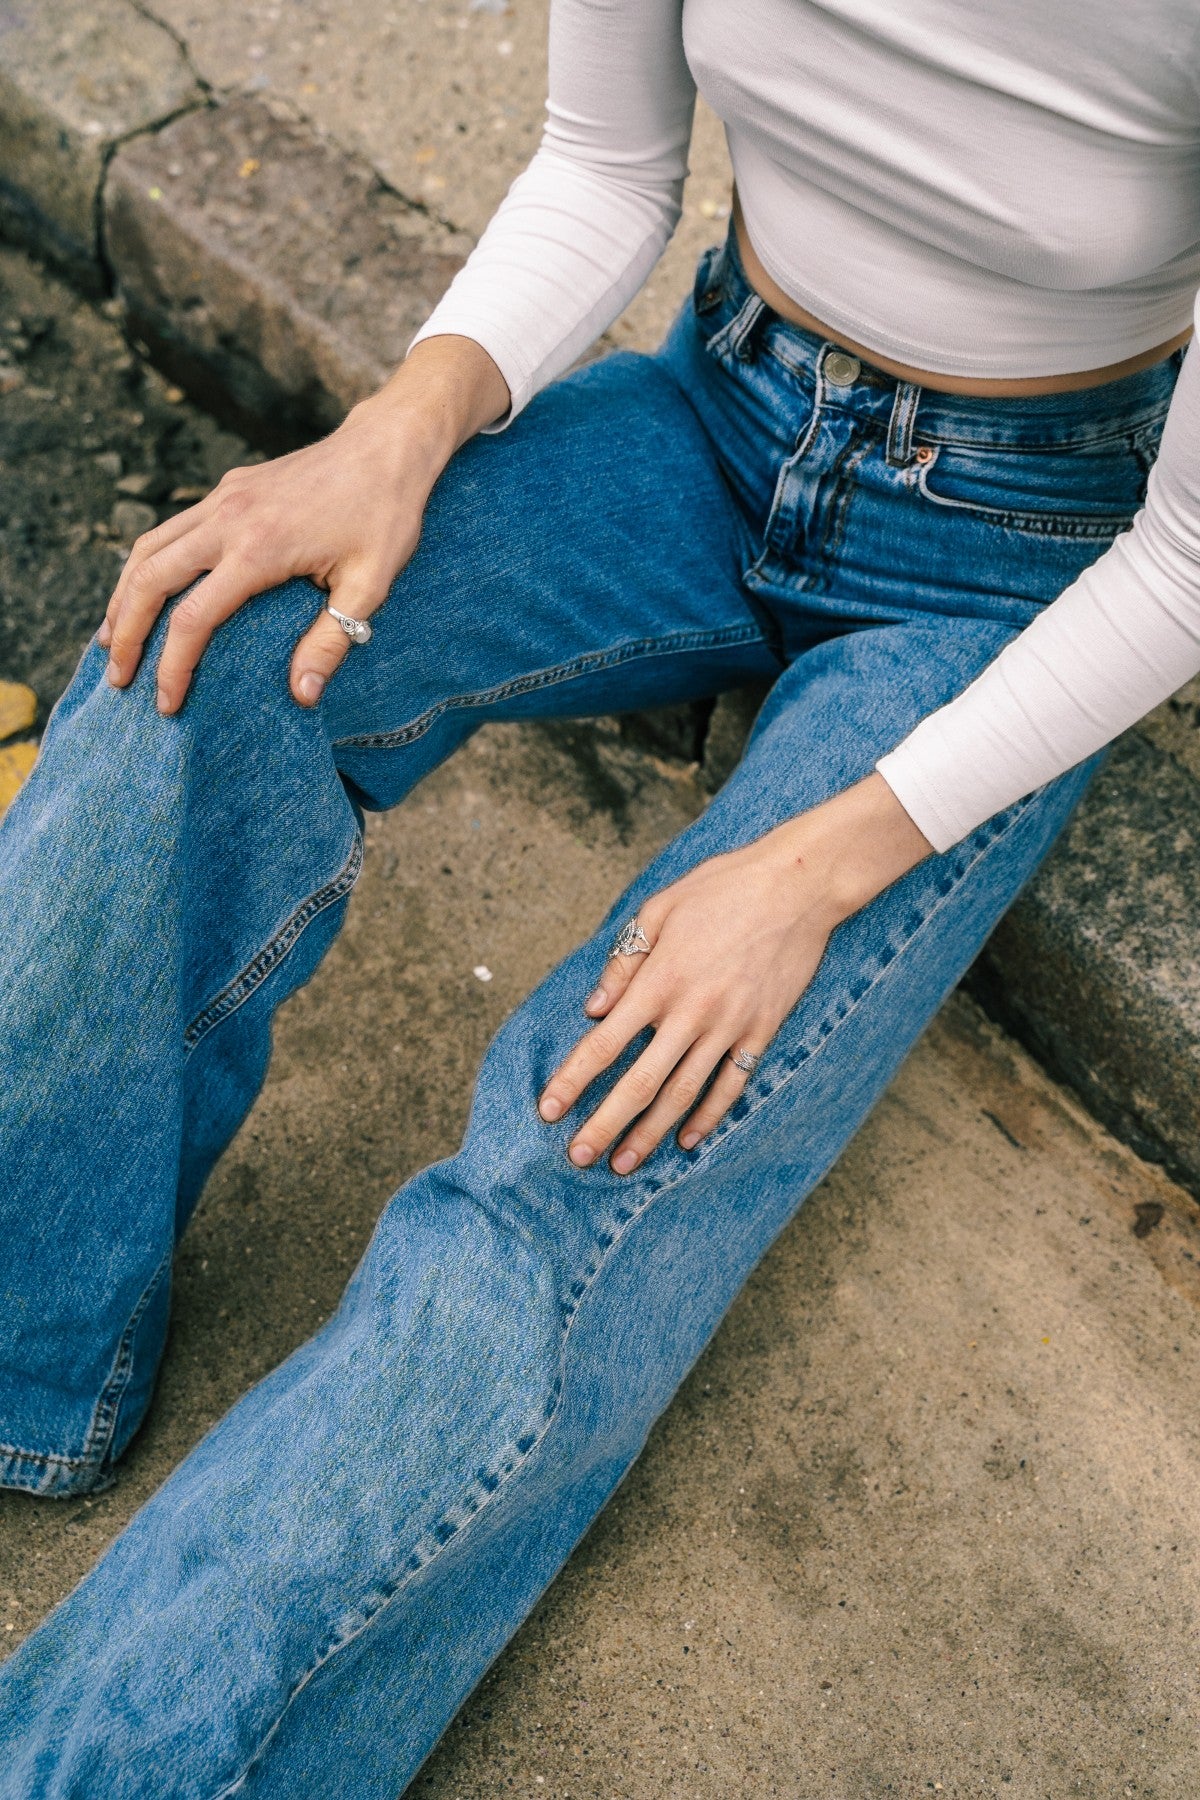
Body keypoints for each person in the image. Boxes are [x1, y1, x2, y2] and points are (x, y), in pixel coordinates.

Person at [1, 0, 1199, 1791]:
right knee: (197, 653)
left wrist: (806, 870)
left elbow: (1183, 568)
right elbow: (608, 165)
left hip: (1013, 565)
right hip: (721, 412)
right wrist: (398, 428)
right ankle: (29, 1350)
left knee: (599, 1121)